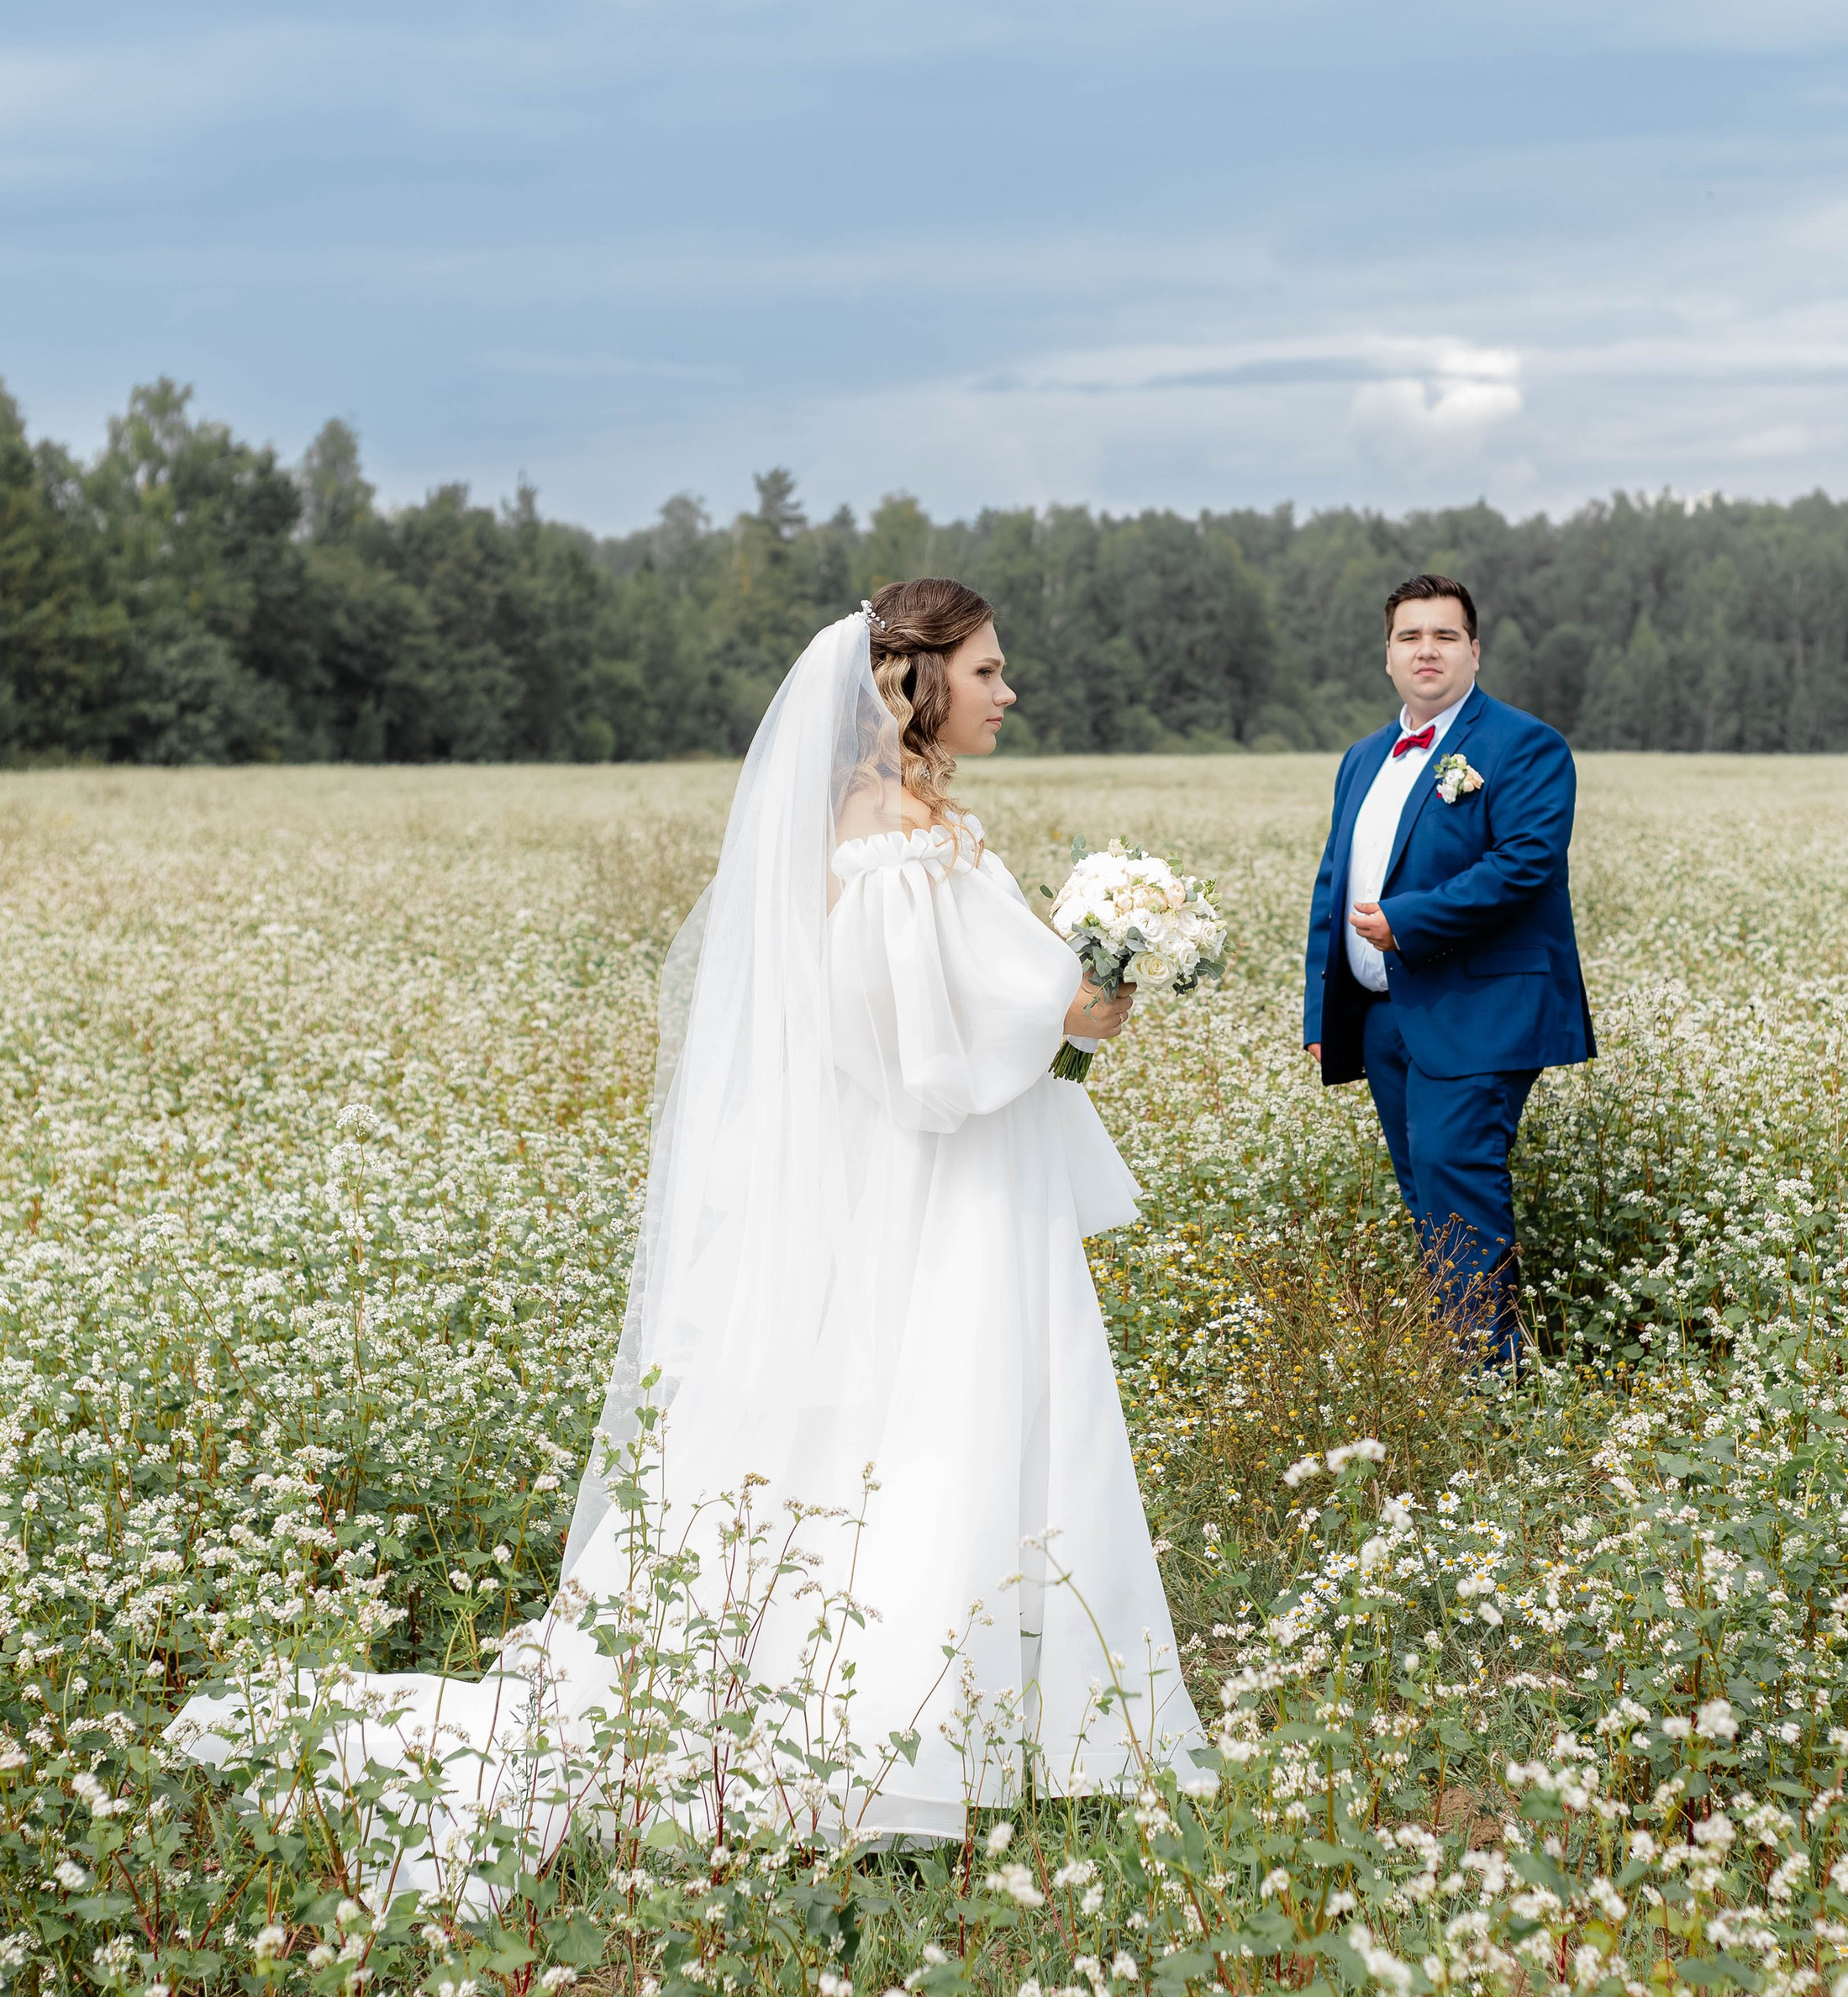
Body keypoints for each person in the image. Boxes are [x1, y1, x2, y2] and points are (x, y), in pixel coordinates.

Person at [172, 581, 1210, 1903]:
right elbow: (920, 1054)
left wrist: (1068, 1003)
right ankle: (904, 1737)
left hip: (955, 1182)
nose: (1009, 692)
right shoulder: (893, 838)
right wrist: (1076, 1008)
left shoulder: (905, 824)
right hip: (941, 1191)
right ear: (916, 683)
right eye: (988, 670)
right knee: (939, 1431)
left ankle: (976, 1726)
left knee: (932, 1435)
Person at [1303, 573, 1593, 1362]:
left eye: (1444, 636)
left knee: (1456, 1182)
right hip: (1383, 1016)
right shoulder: (1363, 758)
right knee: (1425, 1190)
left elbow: (1526, 862)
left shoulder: (1525, 745)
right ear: (1387, 655)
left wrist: (1409, 922)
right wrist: (1322, 1014)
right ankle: (1459, 1358)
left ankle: (1485, 1379)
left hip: (1479, 1011)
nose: (1425, 650)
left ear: (1474, 650)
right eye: (1410, 636)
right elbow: (1334, 883)